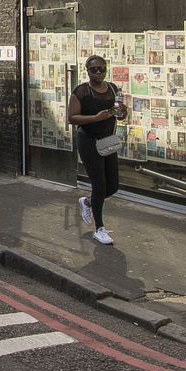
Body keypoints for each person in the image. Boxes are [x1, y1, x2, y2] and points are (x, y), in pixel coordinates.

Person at [68, 53, 123, 245]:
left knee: (112, 186)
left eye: (102, 68)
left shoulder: (113, 89)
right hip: (89, 140)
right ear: (87, 71)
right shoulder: (81, 91)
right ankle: (100, 229)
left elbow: (118, 114)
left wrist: (122, 112)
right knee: (99, 184)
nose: (98, 72)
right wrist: (95, 118)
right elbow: (72, 118)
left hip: (107, 141)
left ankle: (88, 202)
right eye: (94, 69)